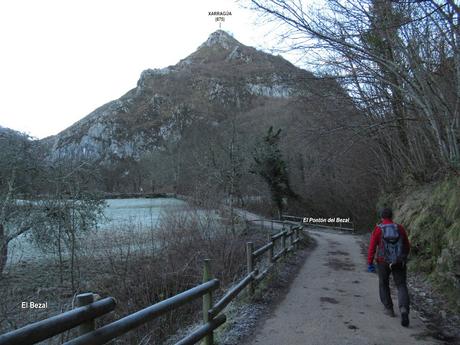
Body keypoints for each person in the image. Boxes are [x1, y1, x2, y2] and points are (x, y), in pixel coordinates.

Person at [367, 207, 411, 327]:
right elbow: (407, 245)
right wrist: (403, 257)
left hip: (383, 261)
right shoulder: (400, 228)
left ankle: (389, 309)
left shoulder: (378, 229)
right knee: (401, 285)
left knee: (384, 283)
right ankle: (404, 309)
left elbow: (372, 247)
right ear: (392, 216)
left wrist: (370, 262)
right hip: (398, 262)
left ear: (381, 217)